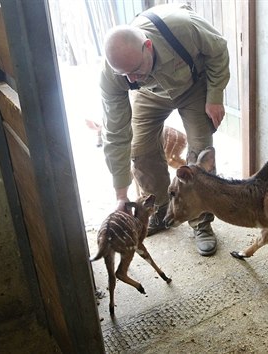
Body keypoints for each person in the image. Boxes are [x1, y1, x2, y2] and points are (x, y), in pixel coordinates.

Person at [99, 4, 230, 256]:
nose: (131, 80)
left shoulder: (183, 26)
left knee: (201, 153)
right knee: (140, 148)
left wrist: (215, 95)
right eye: (125, 75)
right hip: (150, 95)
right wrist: (121, 194)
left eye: (136, 70)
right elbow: (116, 133)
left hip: (193, 86)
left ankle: (200, 221)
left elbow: (219, 50)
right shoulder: (115, 74)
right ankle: (159, 209)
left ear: (147, 46)